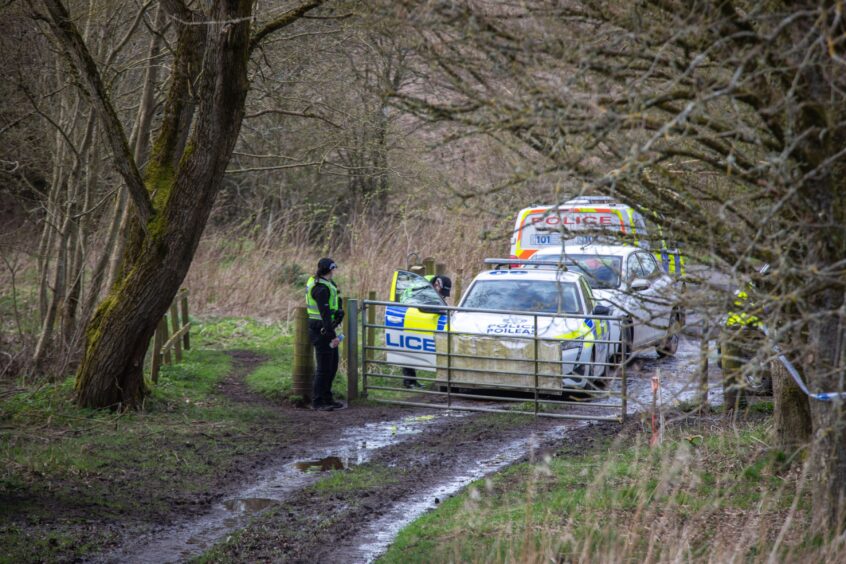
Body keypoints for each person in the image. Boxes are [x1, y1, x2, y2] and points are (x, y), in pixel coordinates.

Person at [306, 258, 344, 411]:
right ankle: (318, 401)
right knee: (323, 368)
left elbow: (333, 305)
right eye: (334, 269)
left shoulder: (327, 284)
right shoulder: (320, 288)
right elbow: (324, 314)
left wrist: (339, 311)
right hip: (321, 330)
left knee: (332, 365)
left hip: (326, 329)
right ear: (330, 269)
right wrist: (332, 334)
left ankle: (327, 398)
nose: (335, 272)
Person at [403, 274, 452, 388]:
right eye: (441, 294)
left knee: (413, 348)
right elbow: (424, 305)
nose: (442, 296)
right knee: (409, 349)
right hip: (408, 314)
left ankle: (412, 380)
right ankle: (409, 381)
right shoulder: (424, 288)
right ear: (437, 285)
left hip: (414, 313)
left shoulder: (431, 284)